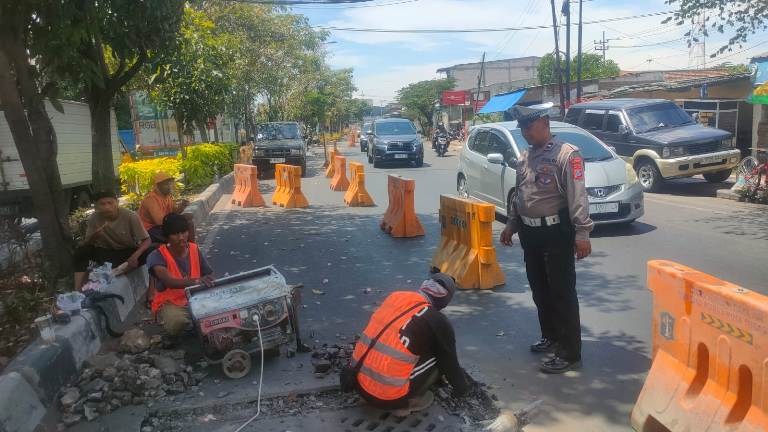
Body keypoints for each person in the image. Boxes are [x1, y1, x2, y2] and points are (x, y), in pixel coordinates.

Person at [500, 102, 594, 374]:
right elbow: (520, 195)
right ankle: (551, 336)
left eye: (529, 127)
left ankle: (569, 352)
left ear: (545, 123)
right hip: (530, 233)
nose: (525, 133)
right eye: (522, 129)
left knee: (562, 292)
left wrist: (582, 233)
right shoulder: (525, 157)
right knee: (540, 289)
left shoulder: (567, 155)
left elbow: (578, 197)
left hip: (556, 232)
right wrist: (511, 224)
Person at [352, 273, 470, 416]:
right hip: (386, 397)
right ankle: (406, 402)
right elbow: (450, 363)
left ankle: (376, 388)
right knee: (441, 355)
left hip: (356, 381)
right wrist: (462, 390)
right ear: (445, 300)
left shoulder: (395, 297)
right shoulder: (436, 319)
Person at [147, 214, 214, 337]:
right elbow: (169, 282)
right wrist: (198, 281)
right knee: (177, 323)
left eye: (184, 232)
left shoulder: (194, 249)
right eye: (175, 234)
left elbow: (208, 273)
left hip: (196, 299)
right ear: (166, 237)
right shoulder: (156, 255)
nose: (181, 237)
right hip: (171, 303)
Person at [73, 191, 152, 290]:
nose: (107, 207)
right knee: (81, 251)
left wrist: (135, 256)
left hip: (127, 252)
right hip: (107, 254)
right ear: (97, 206)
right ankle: (77, 289)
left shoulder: (130, 216)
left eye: (110, 203)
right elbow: (87, 242)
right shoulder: (94, 218)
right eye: (102, 204)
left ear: (117, 203)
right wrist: (95, 236)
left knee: (152, 250)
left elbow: (147, 240)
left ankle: (117, 271)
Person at [138, 172, 193, 244]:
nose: (169, 186)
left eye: (170, 183)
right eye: (166, 184)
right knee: (174, 236)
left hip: (163, 225)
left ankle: (191, 249)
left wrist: (182, 206)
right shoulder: (151, 199)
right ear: (158, 186)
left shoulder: (167, 196)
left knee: (188, 224)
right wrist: (182, 217)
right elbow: (160, 222)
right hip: (149, 230)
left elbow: (173, 212)